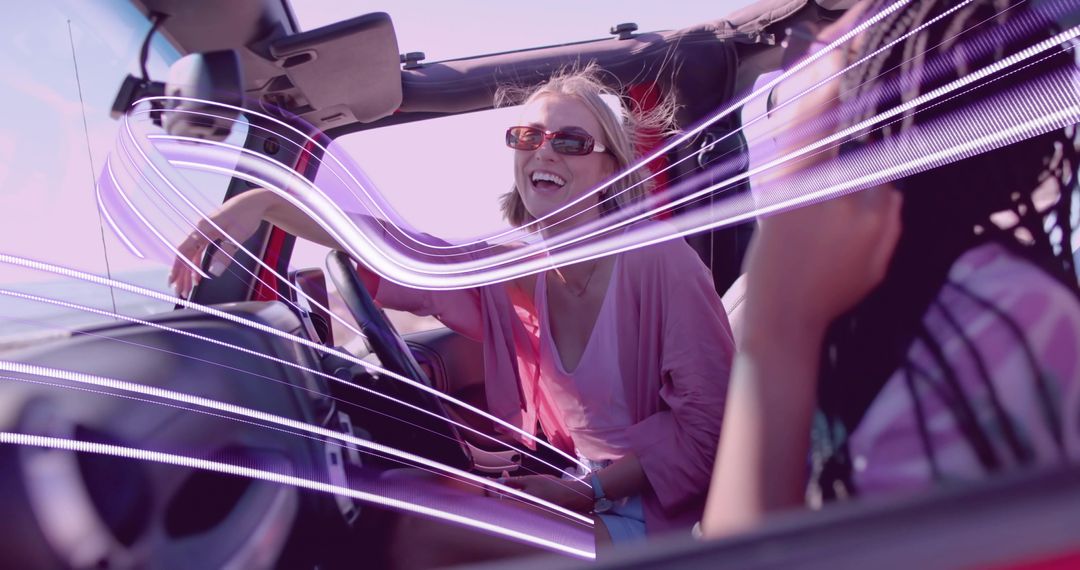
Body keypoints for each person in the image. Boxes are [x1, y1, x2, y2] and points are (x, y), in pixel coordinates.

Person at [170, 64, 735, 558]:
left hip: (656, 517)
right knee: (392, 490)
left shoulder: (663, 264)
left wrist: (585, 492)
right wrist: (266, 201)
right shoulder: (516, 274)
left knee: (411, 536)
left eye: (570, 142)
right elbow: (400, 255)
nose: (543, 149)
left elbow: (710, 431)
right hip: (578, 489)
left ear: (610, 169)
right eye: (527, 136)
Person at [703, 0, 1080, 537]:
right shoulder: (987, 304)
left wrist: (777, 333)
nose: (786, 80)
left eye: (817, 52)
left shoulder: (1002, 321)